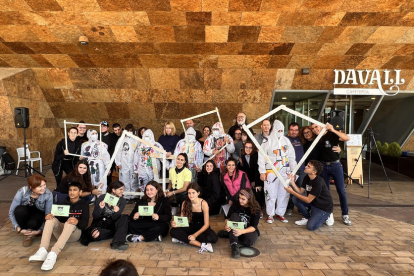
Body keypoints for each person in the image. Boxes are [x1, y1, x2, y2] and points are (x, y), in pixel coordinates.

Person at [29, 182, 89, 271]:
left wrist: (77, 222)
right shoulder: (64, 203)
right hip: (61, 234)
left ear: (80, 192)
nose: (72, 192)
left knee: (70, 222)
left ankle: (53, 253)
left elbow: (84, 225)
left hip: (75, 234)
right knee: (50, 220)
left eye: (75, 190)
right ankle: (42, 250)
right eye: (70, 190)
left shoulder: (84, 205)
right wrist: (49, 217)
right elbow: (57, 218)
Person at [311, 122, 351, 226]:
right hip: (324, 167)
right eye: (313, 128)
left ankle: (345, 214)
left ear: (321, 126)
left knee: (341, 191)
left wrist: (333, 129)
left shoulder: (331, 134)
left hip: (335, 166)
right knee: (326, 192)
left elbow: (346, 138)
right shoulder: (317, 139)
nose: (315, 129)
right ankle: (329, 213)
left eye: (316, 126)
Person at [259, 120, 297, 224]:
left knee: (284, 193)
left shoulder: (287, 141)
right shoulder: (267, 141)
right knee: (270, 193)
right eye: (278, 130)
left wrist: (293, 171)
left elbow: (291, 157)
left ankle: (280, 213)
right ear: (274, 130)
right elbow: (261, 157)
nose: (280, 132)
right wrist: (262, 171)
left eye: (282, 130)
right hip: (271, 172)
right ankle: (270, 214)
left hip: (285, 172)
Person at [285, 160, 334, 230]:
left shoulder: (318, 182)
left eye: (309, 166)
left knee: (311, 227)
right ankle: (307, 217)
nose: (305, 167)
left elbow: (308, 200)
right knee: (295, 199)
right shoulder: (307, 177)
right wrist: (292, 182)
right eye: (307, 165)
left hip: (323, 207)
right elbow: (300, 192)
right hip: (314, 203)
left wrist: (292, 192)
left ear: (314, 172)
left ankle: (327, 215)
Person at [170, 183, 218, 253]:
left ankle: (183, 239)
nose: (191, 195)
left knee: (213, 238)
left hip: (201, 227)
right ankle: (202, 245)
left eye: (193, 193)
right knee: (173, 231)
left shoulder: (203, 203)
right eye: (189, 193)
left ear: (198, 193)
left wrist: (195, 235)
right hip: (190, 226)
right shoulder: (185, 203)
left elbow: (206, 224)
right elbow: (182, 220)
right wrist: (175, 224)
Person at [81, 181, 129, 250]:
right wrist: (100, 208)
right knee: (95, 234)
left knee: (125, 217)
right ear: (113, 190)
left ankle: (117, 242)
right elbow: (95, 216)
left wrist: (116, 212)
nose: (122, 191)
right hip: (100, 223)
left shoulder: (122, 201)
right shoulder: (102, 198)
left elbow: (114, 218)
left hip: (112, 223)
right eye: (120, 189)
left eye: (123, 189)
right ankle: (117, 233)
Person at [9, 175, 52, 247]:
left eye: (44, 185)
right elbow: (11, 212)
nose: (43, 188)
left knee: (34, 223)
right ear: (31, 187)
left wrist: (41, 229)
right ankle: (27, 233)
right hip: (26, 213)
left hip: (38, 214)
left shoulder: (48, 194)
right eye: (40, 186)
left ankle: (31, 233)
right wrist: (17, 228)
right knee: (19, 210)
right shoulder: (22, 192)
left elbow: (48, 214)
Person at [224, 188, 260, 259]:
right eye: (239, 198)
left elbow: (253, 227)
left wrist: (241, 231)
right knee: (234, 215)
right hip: (236, 225)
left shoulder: (256, 208)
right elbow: (227, 218)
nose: (240, 200)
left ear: (249, 200)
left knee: (249, 241)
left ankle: (231, 234)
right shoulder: (236, 204)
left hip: (247, 229)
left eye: (243, 199)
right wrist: (226, 225)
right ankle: (234, 245)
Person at [238, 141, 264, 216]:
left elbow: (257, 170)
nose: (248, 149)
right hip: (249, 179)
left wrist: (256, 183)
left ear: (253, 149)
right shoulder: (243, 155)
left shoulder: (256, 155)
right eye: (246, 147)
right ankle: (252, 209)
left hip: (258, 178)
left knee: (257, 191)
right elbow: (245, 170)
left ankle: (259, 210)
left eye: (250, 148)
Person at [285, 122, 306, 215]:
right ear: (288, 130)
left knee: (301, 188)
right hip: (290, 169)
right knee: (290, 189)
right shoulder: (284, 139)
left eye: (296, 130)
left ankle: (301, 208)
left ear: (298, 131)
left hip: (301, 169)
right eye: (292, 130)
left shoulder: (302, 139)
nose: (294, 132)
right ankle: (290, 207)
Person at [116, 124, 138, 201]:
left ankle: (134, 196)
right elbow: (118, 151)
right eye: (128, 131)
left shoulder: (136, 139)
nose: (129, 132)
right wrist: (118, 162)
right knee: (124, 179)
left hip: (133, 163)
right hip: (124, 163)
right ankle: (126, 196)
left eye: (131, 131)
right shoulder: (122, 140)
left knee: (133, 179)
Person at [100, 121, 117, 185]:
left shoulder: (112, 137)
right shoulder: (97, 136)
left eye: (104, 126)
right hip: (100, 160)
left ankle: (108, 192)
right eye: (101, 126)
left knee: (108, 177)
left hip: (109, 161)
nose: (102, 128)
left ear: (107, 128)